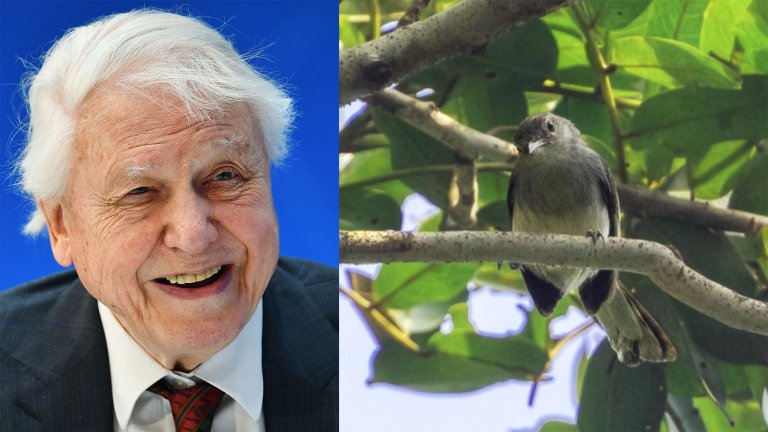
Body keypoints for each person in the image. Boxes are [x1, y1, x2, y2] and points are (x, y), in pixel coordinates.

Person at [0, 9, 338, 432]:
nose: (193, 235)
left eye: (225, 176)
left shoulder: (358, 334)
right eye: (140, 193)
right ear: (61, 224)